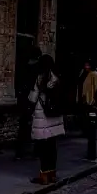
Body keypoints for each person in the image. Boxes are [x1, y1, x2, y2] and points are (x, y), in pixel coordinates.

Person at [29, 54, 65, 185]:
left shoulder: (40, 79)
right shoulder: (56, 78)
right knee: (52, 147)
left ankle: (43, 176)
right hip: (55, 116)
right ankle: (52, 174)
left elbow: (32, 98)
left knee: (43, 148)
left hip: (43, 116)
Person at [14, 54, 39, 159]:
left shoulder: (24, 69)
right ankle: (30, 152)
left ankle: (21, 152)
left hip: (26, 101)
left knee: (25, 127)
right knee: (30, 127)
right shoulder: (34, 71)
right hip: (30, 101)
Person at [78, 58, 97, 161]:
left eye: (88, 65)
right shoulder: (84, 73)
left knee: (91, 123)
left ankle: (91, 154)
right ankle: (85, 132)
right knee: (85, 120)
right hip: (86, 102)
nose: (86, 66)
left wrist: (95, 102)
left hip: (91, 103)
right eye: (85, 65)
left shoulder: (94, 74)